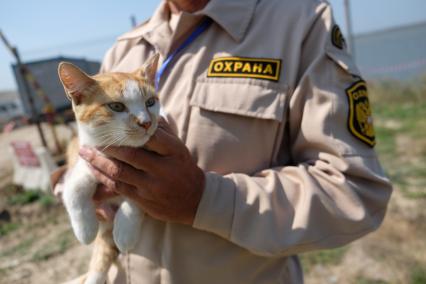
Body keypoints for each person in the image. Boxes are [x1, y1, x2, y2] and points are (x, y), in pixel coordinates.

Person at [57, 0, 393, 282]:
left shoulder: (300, 24)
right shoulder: (125, 47)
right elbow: (91, 140)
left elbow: (354, 192)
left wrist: (205, 200)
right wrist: (74, 181)